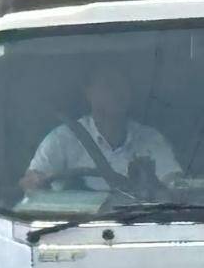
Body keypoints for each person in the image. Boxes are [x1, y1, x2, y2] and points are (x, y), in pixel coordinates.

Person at [23, 62, 183, 198]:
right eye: (108, 85)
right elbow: (30, 182)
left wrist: (176, 188)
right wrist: (35, 181)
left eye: (123, 85)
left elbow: (172, 180)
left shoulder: (150, 138)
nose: (117, 93)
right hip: (72, 229)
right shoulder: (61, 139)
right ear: (88, 92)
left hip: (137, 226)